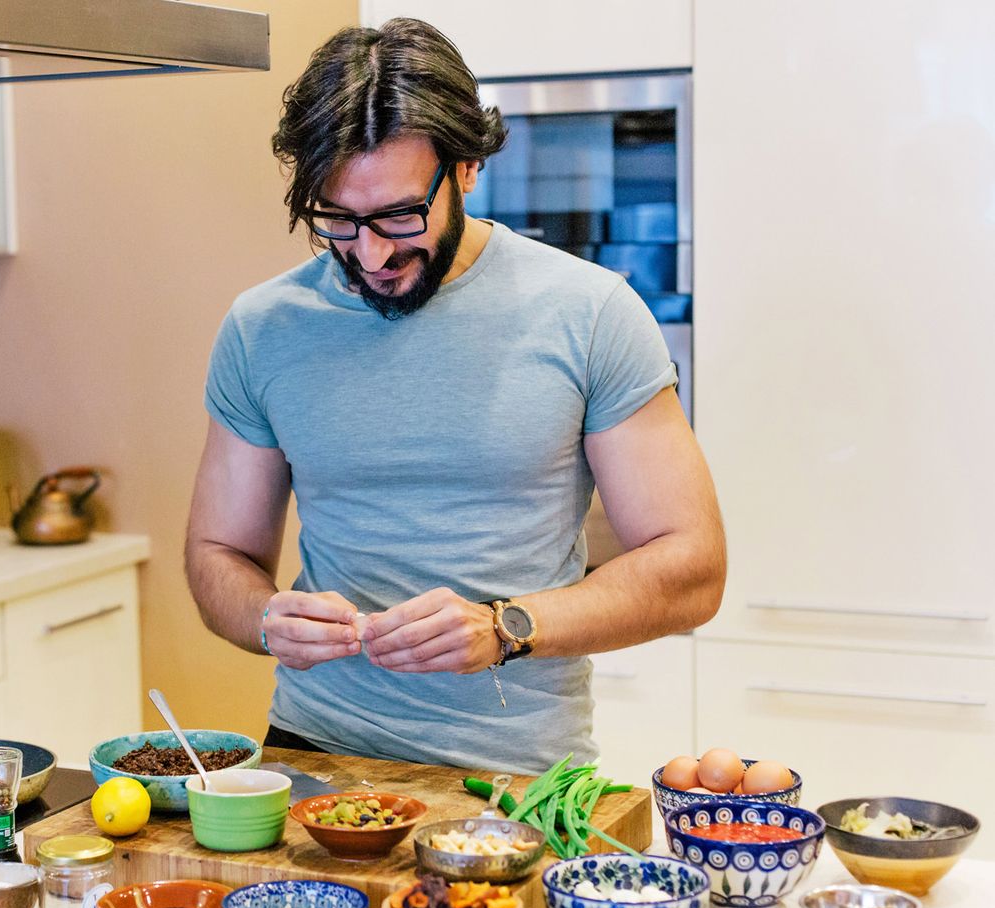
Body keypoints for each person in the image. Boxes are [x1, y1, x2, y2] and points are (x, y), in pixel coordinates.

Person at [184, 18, 725, 773]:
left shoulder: (589, 311)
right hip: (314, 755)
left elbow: (694, 567)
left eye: (399, 215)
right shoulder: (262, 328)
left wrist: (506, 627)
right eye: (337, 220)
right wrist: (267, 618)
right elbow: (218, 554)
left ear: (467, 168)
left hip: (517, 772)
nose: (371, 253)